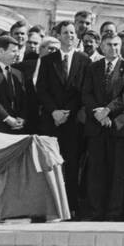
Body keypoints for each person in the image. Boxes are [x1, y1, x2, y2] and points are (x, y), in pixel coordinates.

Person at [81, 31, 124, 221]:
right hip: (97, 125)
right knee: (96, 170)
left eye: (116, 45)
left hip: (119, 125)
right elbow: (86, 93)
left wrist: (107, 110)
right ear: (101, 47)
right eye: (109, 45)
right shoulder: (93, 67)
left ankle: (114, 213)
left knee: (118, 172)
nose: (113, 48)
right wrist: (98, 113)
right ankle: (96, 211)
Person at [37, 20, 91, 218]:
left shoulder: (84, 60)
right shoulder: (47, 61)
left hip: (73, 120)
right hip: (52, 120)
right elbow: (41, 89)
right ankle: (52, 206)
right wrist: (54, 112)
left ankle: (71, 207)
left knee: (72, 164)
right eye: (66, 32)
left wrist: (67, 112)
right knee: (51, 164)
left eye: (72, 32)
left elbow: (84, 90)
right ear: (58, 36)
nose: (70, 36)